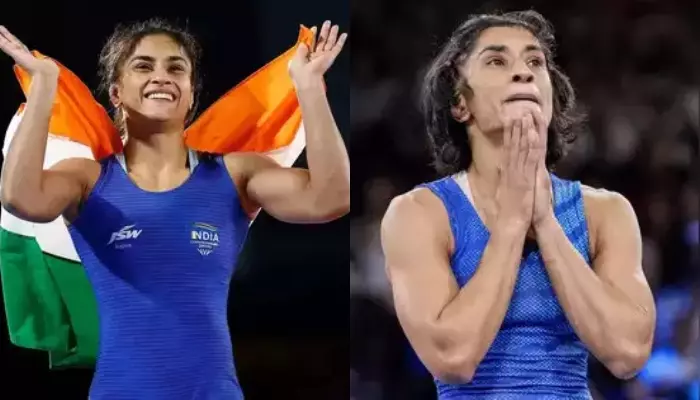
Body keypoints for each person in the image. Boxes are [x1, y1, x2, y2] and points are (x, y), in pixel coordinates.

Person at [0, 18, 349, 399]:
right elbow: (21, 198)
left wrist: (309, 87)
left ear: (191, 94)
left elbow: (330, 198)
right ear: (116, 92)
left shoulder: (235, 175)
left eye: (176, 68)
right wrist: (43, 91)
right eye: (143, 66)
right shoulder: (88, 178)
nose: (161, 77)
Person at [380, 10, 656, 399]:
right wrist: (512, 221)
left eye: (535, 62)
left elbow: (628, 354)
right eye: (497, 61)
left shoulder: (605, 212)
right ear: (460, 103)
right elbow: (454, 358)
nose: (523, 73)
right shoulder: (419, 213)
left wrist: (545, 222)